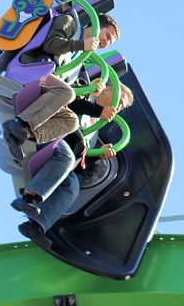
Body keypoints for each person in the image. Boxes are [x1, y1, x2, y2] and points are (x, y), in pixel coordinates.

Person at [14, 83, 133, 248]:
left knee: (72, 186)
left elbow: (79, 159)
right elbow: (67, 104)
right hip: (49, 134)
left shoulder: (94, 129)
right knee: (67, 157)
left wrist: (98, 154)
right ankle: (27, 198)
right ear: (106, 90)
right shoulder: (87, 92)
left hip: (62, 154)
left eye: (121, 107)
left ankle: (35, 225)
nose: (118, 108)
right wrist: (97, 109)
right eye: (119, 101)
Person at [2, 12, 121, 156]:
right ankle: (19, 123)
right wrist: (81, 44)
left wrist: (86, 90)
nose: (106, 43)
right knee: (67, 93)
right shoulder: (71, 23)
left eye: (110, 43)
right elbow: (49, 44)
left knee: (71, 121)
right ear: (97, 26)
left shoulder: (80, 56)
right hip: (31, 66)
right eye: (107, 36)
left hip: (46, 81)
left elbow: (62, 85)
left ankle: (22, 134)